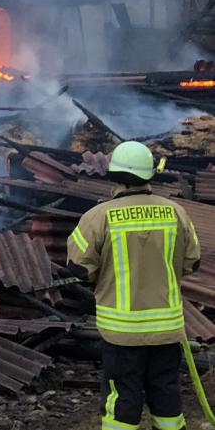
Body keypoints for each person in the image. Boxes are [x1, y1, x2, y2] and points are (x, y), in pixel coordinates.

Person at [68, 140, 202, 430]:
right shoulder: (176, 212)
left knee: (122, 397)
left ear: (114, 174)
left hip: (122, 333)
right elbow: (192, 263)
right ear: (150, 174)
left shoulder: (98, 217)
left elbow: (79, 270)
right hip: (166, 330)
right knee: (166, 393)